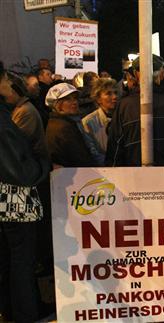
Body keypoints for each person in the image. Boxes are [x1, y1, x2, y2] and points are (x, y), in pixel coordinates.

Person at [0, 61, 50, 323]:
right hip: (13, 202)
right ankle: (25, 313)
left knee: (10, 259)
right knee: (21, 260)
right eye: (6, 78)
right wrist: (43, 164)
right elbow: (20, 172)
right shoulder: (4, 119)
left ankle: (12, 310)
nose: (9, 83)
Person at [105, 55, 164, 167]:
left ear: (135, 74)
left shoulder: (124, 107)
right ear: (162, 74)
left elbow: (115, 150)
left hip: (134, 179)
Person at [45, 83, 97, 167]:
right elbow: (79, 158)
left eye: (75, 98)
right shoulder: (63, 127)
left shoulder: (68, 122)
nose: (74, 102)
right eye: (68, 99)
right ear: (58, 104)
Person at [82, 78, 118, 165]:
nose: (114, 97)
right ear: (98, 99)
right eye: (108, 94)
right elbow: (92, 152)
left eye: (115, 93)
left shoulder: (123, 117)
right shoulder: (88, 122)